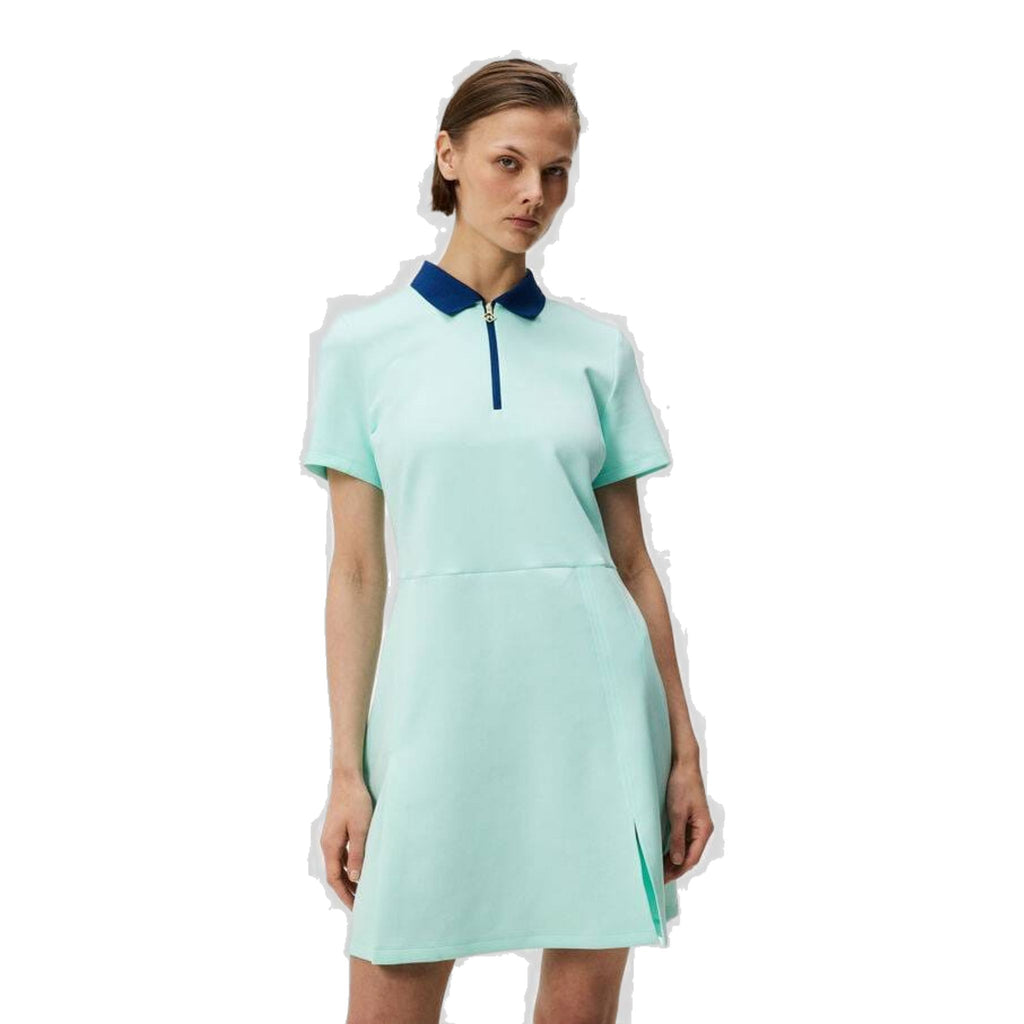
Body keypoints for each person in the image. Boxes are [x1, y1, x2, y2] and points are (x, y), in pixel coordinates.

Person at [301, 58, 712, 1024]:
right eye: (509, 162)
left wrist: (684, 755)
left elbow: (632, 565)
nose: (535, 193)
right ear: (449, 157)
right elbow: (356, 572)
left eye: (556, 171)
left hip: (592, 712)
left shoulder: (596, 348)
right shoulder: (362, 347)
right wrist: (348, 770)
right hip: (434, 710)